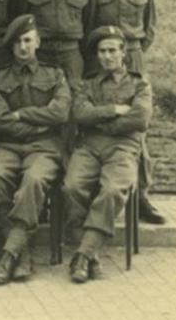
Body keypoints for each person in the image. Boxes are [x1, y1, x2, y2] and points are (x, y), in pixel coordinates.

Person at [0, 14, 70, 285]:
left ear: (38, 42)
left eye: (27, 40)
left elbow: (60, 113)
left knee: (33, 181)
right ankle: (21, 252)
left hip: (44, 148)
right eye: (17, 42)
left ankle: (9, 255)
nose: (23, 47)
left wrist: (21, 114)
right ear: (11, 46)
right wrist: (38, 123)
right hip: (6, 146)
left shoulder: (55, 75)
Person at [64, 25, 152, 282]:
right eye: (102, 51)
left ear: (124, 52)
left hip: (123, 147)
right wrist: (114, 109)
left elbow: (140, 119)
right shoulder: (88, 83)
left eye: (112, 50)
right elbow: (79, 114)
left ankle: (83, 255)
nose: (107, 56)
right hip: (89, 147)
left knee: (113, 190)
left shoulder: (139, 84)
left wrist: (101, 121)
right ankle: (90, 253)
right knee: (72, 187)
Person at [88, 0, 164, 224]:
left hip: (132, 56)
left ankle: (140, 195)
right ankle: (98, 191)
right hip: (102, 58)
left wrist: (132, 55)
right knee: (101, 118)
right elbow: (89, 26)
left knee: (138, 127)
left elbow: (149, 29)